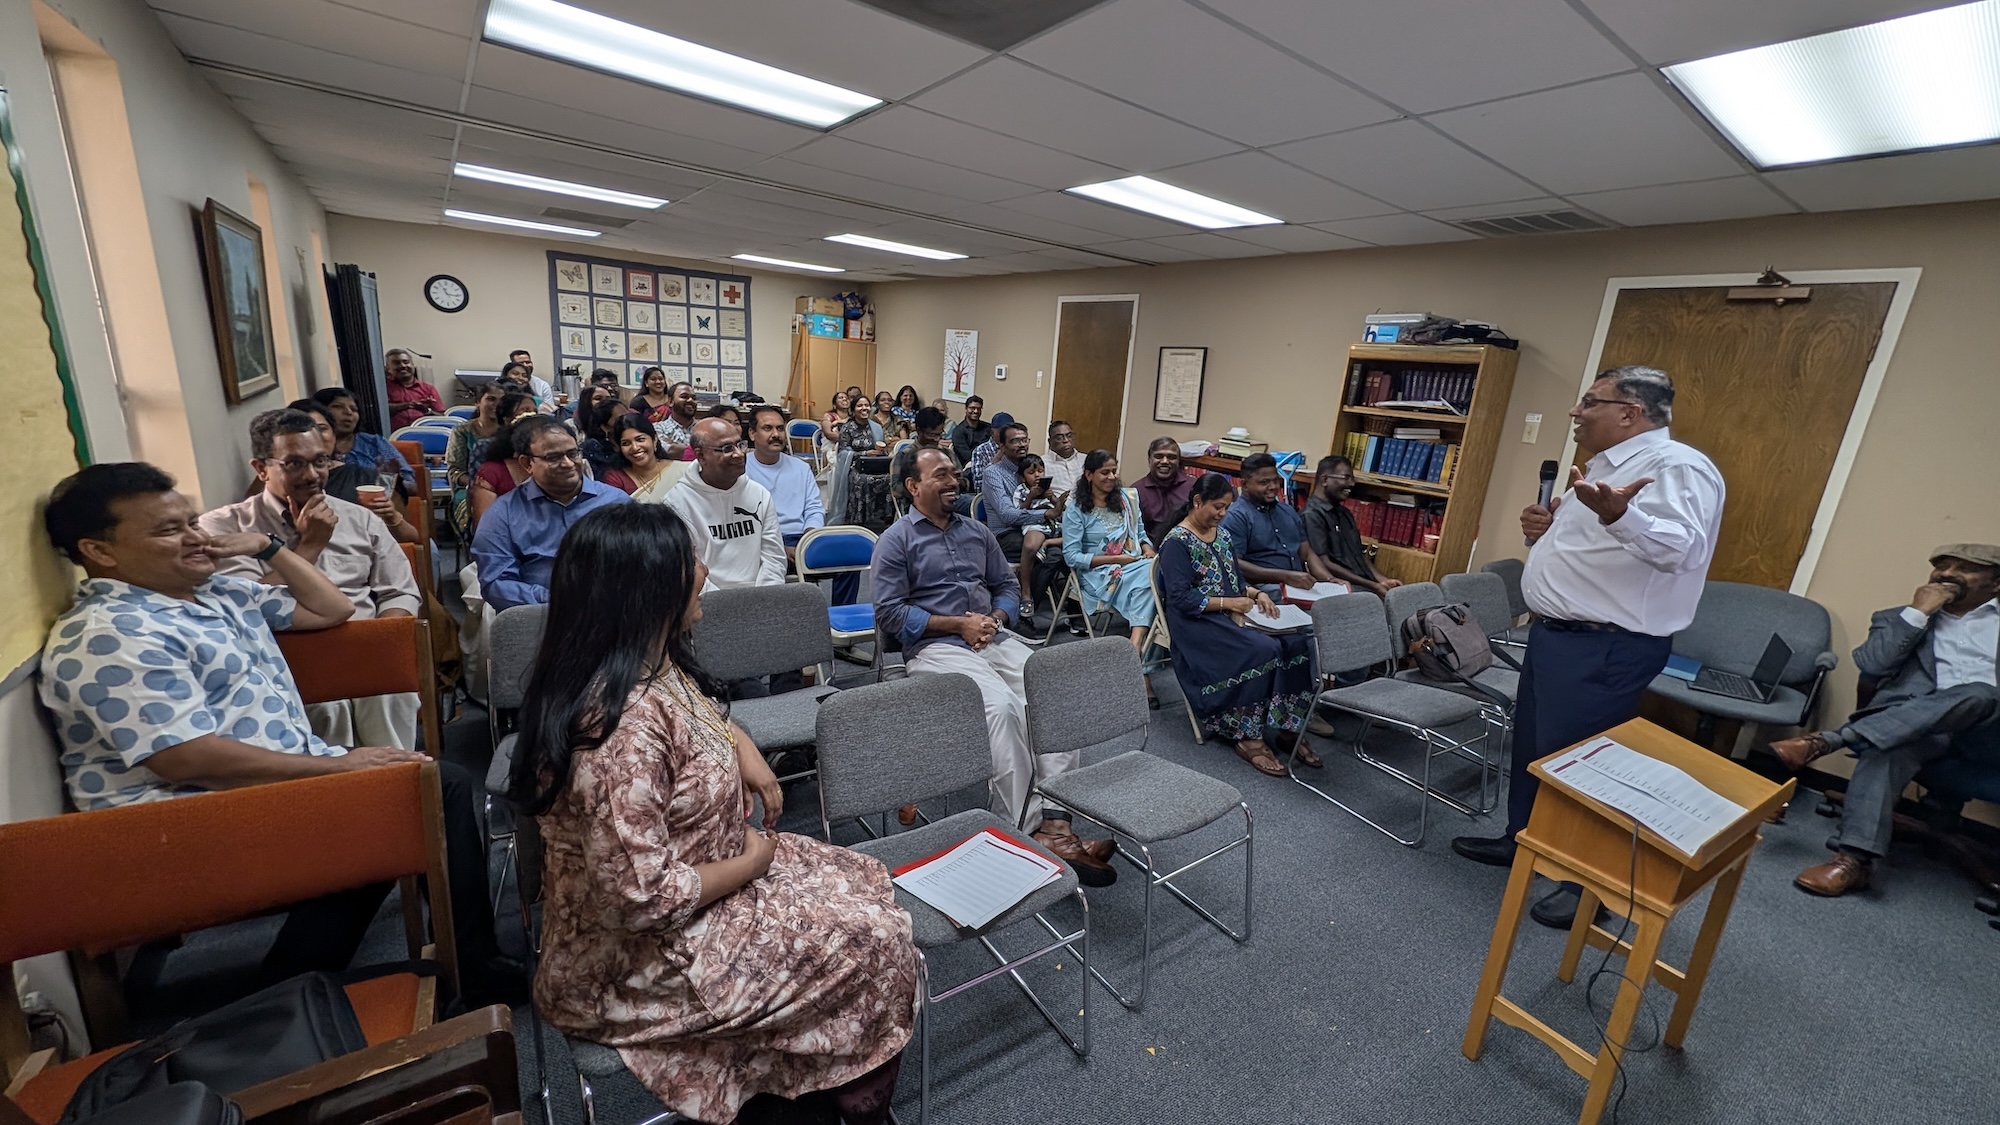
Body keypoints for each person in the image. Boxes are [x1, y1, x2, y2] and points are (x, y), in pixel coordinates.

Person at [39, 462, 519, 1001]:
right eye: (169, 530)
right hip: (179, 825)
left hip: (254, 791)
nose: (197, 538)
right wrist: (339, 767)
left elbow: (331, 607)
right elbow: (186, 760)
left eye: (193, 522)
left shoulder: (215, 595)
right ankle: (464, 967)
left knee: (402, 794)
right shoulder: (110, 635)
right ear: (99, 552)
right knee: (426, 790)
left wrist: (268, 548)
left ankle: (295, 986)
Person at [514, 504, 915, 1125]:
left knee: (867, 888)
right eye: (686, 560)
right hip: (640, 955)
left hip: (709, 880)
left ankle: (812, 1084)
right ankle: (839, 1101)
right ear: (645, 593)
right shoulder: (616, 731)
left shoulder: (647, 659)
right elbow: (639, 899)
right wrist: (755, 861)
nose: (703, 568)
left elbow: (703, 711)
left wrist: (745, 748)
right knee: (869, 940)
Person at [1449, 366, 1724, 931]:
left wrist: (1622, 514)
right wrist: (1540, 532)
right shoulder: (1601, 467)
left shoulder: (1677, 467)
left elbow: (1681, 549)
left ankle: (1586, 884)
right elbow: (1593, 550)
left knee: (1585, 765)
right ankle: (1523, 839)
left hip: (1607, 644)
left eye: (1590, 403)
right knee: (1534, 748)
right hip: (1558, 637)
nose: (1576, 413)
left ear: (1631, 412)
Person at [873, 448, 1116, 884]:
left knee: (1051, 693)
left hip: (993, 636)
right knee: (1001, 707)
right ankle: (1026, 829)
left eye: (954, 473)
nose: (953, 481)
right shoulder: (896, 540)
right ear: (913, 486)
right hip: (935, 646)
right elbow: (890, 614)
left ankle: (1057, 824)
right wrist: (957, 624)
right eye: (940, 475)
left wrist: (995, 619)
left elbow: (1005, 586)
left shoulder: (977, 532)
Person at [1774, 545, 2000, 896]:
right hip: (1922, 729)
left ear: (1996, 583)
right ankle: (1853, 862)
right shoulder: (1900, 618)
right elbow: (1873, 666)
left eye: (1964, 568)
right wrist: (1918, 612)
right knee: (1887, 747)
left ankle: (1834, 739)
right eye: (1941, 566)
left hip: (1990, 734)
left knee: (1980, 693)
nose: (1946, 573)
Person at [200, 408, 424, 749]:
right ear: (261, 469)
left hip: (364, 643)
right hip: (284, 656)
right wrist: (310, 545)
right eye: (294, 464)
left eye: (320, 461)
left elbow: (400, 592)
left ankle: (396, 784)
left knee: (391, 696)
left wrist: (380, 644)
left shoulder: (359, 518)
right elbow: (247, 605)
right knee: (325, 708)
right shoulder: (226, 527)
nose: (312, 475)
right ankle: (331, 793)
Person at [1158, 473, 1316, 777]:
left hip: (1230, 613)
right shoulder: (1176, 542)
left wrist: (1256, 595)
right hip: (1197, 624)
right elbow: (1180, 599)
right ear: (1197, 502)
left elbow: (1235, 581)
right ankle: (1247, 735)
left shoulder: (1222, 535)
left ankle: (1286, 724)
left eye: (1227, 507)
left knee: (1296, 642)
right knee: (1263, 649)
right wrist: (1230, 604)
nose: (1222, 514)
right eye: (1217, 507)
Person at [472, 416, 630, 611]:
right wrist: (558, 600)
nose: (568, 464)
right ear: (527, 463)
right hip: (540, 618)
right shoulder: (502, 514)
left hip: (613, 615)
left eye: (573, 453)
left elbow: (641, 564)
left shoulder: (616, 503)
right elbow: (496, 585)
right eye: (553, 457)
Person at [664, 418, 785, 592]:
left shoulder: (759, 494)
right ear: (701, 456)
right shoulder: (676, 504)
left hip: (760, 597)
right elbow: (687, 570)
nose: (739, 454)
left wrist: (763, 600)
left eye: (740, 445)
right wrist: (725, 608)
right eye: (727, 448)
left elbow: (774, 558)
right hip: (706, 602)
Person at [1060, 450, 1157, 654]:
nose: (1112, 477)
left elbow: (1140, 533)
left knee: (1153, 576)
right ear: (1089, 475)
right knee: (1152, 578)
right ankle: (1139, 643)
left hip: (1133, 562)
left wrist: (1147, 549)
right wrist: (1116, 559)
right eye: (1105, 472)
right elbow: (1071, 557)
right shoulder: (1076, 510)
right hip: (1096, 574)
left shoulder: (1126, 500)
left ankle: (1136, 642)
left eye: (1114, 471)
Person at [287, 399, 420, 545]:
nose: (313, 436)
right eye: (303, 430)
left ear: (334, 434)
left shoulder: (370, 478)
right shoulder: (277, 481)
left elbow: (410, 539)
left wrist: (391, 517)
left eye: (321, 428)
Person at [979, 422, 1050, 625]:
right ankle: (1022, 606)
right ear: (1001, 445)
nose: (1021, 445)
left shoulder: (1032, 468)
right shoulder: (993, 473)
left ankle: (1029, 603)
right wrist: (1046, 514)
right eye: (1014, 441)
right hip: (1005, 534)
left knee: (1062, 551)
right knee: (1048, 554)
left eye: (1024, 440)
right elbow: (1008, 516)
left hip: (1032, 530)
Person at [1302, 455, 1400, 597]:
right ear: (1325, 480)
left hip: (1365, 583)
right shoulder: (1311, 515)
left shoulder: (1345, 513)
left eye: (1352, 478)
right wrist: (1373, 586)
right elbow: (1324, 563)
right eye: (1346, 478)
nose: (1352, 483)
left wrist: (1382, 580)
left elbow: (1359, 555)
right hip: (1342, 587)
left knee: (1403, 597)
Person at [447, 386, 533, 537]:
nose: (496, 404)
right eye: (491, 399)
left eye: (500, 400)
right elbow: (456, 470)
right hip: (471, 487)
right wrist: (480, 484)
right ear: (478, 402)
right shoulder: (463, 431)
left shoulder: (524, 439)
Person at [1221, 453, 1312, 596]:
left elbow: (1307, 552)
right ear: (1244, 485)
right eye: (1264, 482)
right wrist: (1285, 576)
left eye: (1276, 481)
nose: (1274, 487)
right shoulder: (1236, 516)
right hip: (1262, 589)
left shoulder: (1287, 511)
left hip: (1297, 585)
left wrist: (1328, 578)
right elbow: (1234, 564)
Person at [744, 404, 825, 557]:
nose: (776, 434)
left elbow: (814, 509)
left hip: (801, 537)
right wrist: (777, 548)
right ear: (752, 433)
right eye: (768, 428)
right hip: (760, 541)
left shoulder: (801, 468)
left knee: (850, 558)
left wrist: (809, 540)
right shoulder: (741, 470)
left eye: (780, 429)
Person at [312, 387, 413, 484]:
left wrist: (385, 479)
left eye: (354, 409)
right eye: (337, 406)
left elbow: (411, 484)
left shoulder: (375, 443)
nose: (348, 412)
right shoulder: (311, 446)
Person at [832, 396, 889, 528]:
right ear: (853, 410)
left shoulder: (876, 427)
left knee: (888, 479)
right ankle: (859, 520)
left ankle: (883, 519)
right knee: (862, 480)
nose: (864, 408)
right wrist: (864, 454)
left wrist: (880, 451)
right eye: (859, 405)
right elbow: (842, 454)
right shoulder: (847, 428)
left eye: (866, 405)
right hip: (854, 466)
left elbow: (882, 448)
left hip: (874, 465)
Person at [602, 412, 688, 500]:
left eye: (640, 439)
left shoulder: (681, 471)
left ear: (654, 440)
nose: (635, 448)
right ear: (619, 448)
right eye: (626, 443)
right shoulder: (616, 479)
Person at [1136, 437, 1194, 547]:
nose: (1165, 461)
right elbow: (1133, 532)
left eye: (1171, 457)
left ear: (1179, 462)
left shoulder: (1193, 487)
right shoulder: (1136, 491)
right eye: (1159, 456)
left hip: (1186, 549)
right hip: (1149, 552)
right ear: (1149, 460)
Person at [383, 348, 444, 429]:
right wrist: (407, 405)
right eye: (396, 363)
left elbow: (442, 417)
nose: (403, 366)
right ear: (388, 369)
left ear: (412, 365)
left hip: (425, 433)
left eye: (406, 362)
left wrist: (426, 410)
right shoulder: (383, 388)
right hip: (394, 436)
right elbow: (381, 411)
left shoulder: (428, 388)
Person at [574, 385, 626, 478]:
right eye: (620, 419)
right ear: (605, 427)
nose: (627, 422)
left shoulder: (633, 442)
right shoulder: (592, 448)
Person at [964, 410, 1013, 491]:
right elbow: (979, 487)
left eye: (1010, 431)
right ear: (992, 432)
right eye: (1002, 431)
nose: (1006, 435)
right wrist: (999, 456)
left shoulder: (1016, 448)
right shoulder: (980, 451)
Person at [654, 380, 700, 458]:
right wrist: (701, 451)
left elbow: (714, 453)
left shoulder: (705, 428)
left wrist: (675, 446)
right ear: (670, 402)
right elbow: (665, 451)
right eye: (684, 396)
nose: (691, 400)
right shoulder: (658, 428)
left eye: (694, 398)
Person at [1043, 420, 1085, 497]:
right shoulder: (1042, 463)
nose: (1066, 440)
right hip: (1057, 507)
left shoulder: (1086, 460)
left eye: (1069, 436)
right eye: (1059, 438)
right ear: (1050, 441)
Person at [950, 394, 991, 467]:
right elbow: (966, 456)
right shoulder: (958, 431)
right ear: (966, 409)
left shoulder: (988, 428)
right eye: (972, 408)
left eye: (979, 408)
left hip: (989, 463)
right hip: (968, 467)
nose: (975, 411)